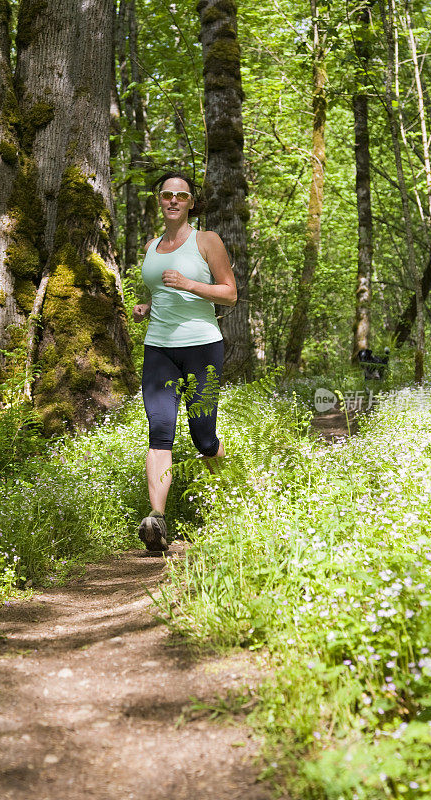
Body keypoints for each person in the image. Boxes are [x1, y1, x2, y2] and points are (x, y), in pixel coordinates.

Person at [133, 171, 237, 553]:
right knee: (160, 430)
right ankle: (156, 521)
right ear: (159, 201)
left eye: (181, 195)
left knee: (203, 437)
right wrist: (147, 306)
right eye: (166, 194)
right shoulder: (150, 246)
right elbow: (160, 292)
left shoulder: (206, 241)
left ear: (191, 202)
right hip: (159, 348)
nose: (173, 200)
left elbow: (230, 294)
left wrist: (190, 284)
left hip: (202, 348)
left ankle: (228, 504)